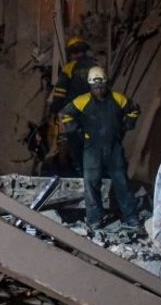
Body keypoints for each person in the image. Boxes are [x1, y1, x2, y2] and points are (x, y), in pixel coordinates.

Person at [59, 66, 141, 230]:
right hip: (92, 148)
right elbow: (64, 114)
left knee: (121, 182)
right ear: (90, 86)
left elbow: (134, 109)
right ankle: (95, 219)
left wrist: (127, 124)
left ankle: (132, 219)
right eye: (95, 86)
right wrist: (76, 129)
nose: (98, 89)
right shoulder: (82, 101)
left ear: (106, 83)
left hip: (113, 147)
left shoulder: (118, 99)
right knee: (91, 183)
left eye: (101, 86)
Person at [48, 36, 95, 175]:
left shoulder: (69, 68)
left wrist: (54, 110)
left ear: (71, 53)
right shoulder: (96, 67)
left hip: (72, 115)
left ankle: (67, 174)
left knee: (65, 142)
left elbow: (59, 93)